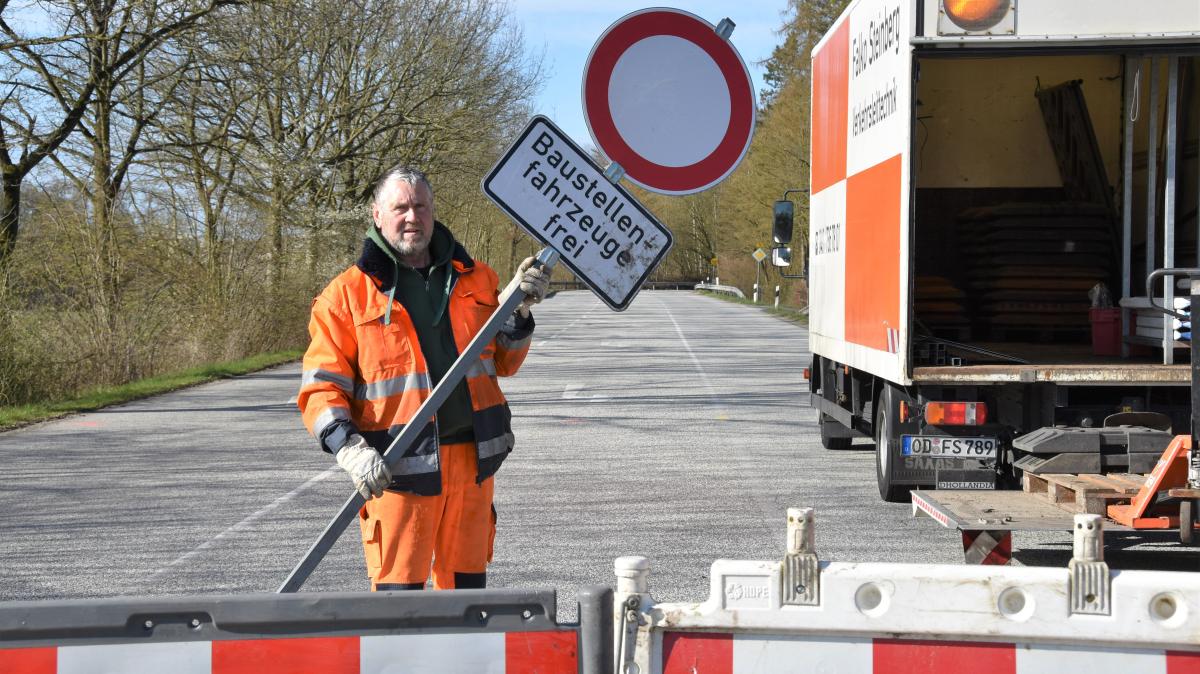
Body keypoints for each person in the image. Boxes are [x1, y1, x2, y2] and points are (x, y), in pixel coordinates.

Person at [297, 164, 550, 590]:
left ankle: (465, 661)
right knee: (400, 605)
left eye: (420, 206)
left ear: (433, 212)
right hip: (398, 473)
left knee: (469, 600)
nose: (412, 216)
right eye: (400, 207)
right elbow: (321, 388)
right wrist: (350, 450)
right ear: (377, 215)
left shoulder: (479, 278)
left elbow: (505, 362)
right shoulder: (344, 296)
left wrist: (516, 312)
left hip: (472, 466)